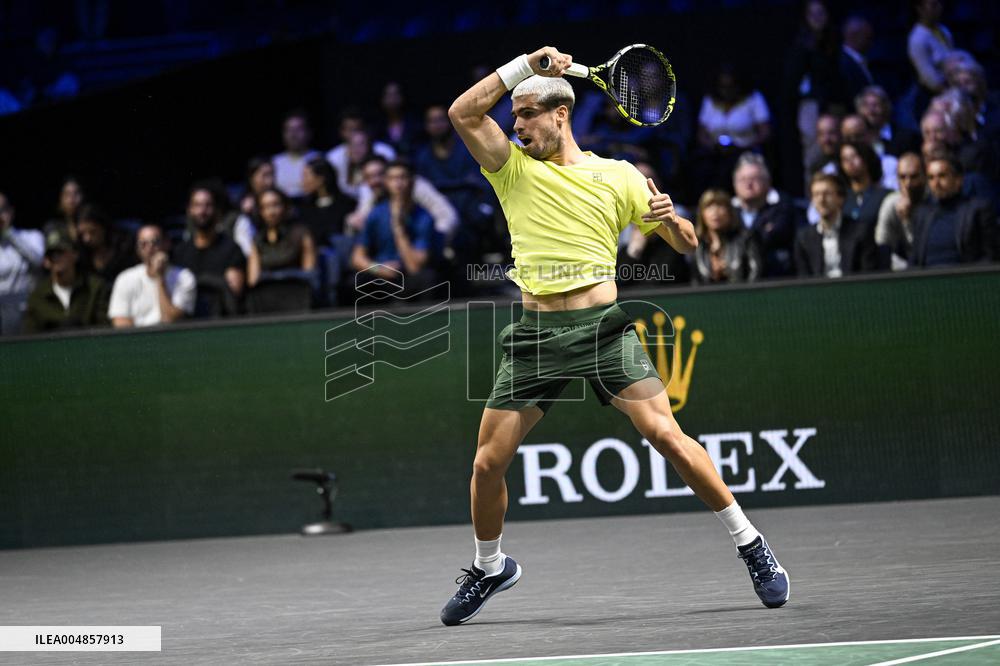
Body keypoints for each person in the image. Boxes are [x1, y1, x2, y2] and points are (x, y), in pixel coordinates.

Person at [440, 46, 789, 626]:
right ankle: (490, 565)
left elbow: (686, 243)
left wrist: (671, 218)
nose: (515, 124)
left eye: (525, 114)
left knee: (667, 436)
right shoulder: (510, 167)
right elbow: (463, 113)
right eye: (514, 115)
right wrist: (525, 67)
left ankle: (751, 543)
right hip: (536, 334)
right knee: (486, 465)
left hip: (603, 331)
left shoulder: (619, 175)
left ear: (560, 115)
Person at [350, 160, 436, 291]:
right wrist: (378, 268)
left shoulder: (424, 218)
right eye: (392, 178)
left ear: (412, 181)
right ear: (386, 182)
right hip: (381, 272)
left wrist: (399, 228)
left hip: (408, 274)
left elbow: (414, 267)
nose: (398, 184)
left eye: (403, 177)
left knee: (426, 278)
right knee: (355, 282)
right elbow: (357, 258)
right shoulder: (377, 213)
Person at [171, 184, 246, 315]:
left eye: (207, 205)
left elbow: (234, 293)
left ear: (217, 210)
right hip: (185, 321)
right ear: (189, 210)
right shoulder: (180, 252)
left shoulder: (231, 249)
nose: (202, 211)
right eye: (197, 205)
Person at [910, 155, 997, 267]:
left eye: (942, 176)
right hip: (927, 281)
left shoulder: (978, 210)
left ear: (958, 180)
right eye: (931, 178)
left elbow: (991, 256)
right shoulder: (922, 214)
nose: (936, 183)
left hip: (966, 280)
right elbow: (914, 260)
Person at [347, 155, 458, 239]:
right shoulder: (370, 193)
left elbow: (449, 216)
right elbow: (363, 220)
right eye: (369, 177)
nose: (375, 181)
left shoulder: (416, 186)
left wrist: (431, 240)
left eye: (379, 174)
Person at [23, 227, 109, 333]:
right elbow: (30, 337)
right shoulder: (37, 296)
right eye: (51, 255)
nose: (56, 258)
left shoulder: (95, 288)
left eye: (61, 252)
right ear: (45, 261)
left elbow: (105, 330)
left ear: (75, 254)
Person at [108, 224, 196, 327]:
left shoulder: (185, 277)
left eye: (155, 242)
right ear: (137, 249)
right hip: (137, 340)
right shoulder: (125, 278)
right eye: (143, 244)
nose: (149, 248)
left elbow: (170, 320)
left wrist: (160, 278)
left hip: (172, 339)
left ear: (167, 243)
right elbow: (120, 322)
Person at [795, 173, 878, 277]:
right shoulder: (804, 238)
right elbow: (804, 281)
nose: (821, 200)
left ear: (841, 198)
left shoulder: (861, 231)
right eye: (816, 194)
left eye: (827, 194)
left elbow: (868, 276)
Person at [730, 153, 798, 278]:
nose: (748, 184)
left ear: (767, 180)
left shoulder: (783, 205)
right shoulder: (728, 210)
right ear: (734, 184)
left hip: (776, 276)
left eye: (754, 178)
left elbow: (777, 236)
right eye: (743, 179)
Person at [247, 187, 317, 287]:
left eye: (275, 205)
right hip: (267, 293)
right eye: (265, 207)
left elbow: (309, 275)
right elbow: (253, 280)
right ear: (260, 212)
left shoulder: (301, 234)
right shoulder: (258, 239)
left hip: (297, 291)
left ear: (285, 206)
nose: (271, 212)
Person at [692, 188, 762, 284]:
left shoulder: (746, 238)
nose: (715, 212)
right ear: (702, 214)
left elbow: (756, 275)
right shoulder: (698, 245)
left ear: (730, 212)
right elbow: (695, 282)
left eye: (720, 206)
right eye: (709, 207)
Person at [0, 192, 45, 335]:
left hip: (29, 312)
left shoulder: (32, 236)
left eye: (2, 210)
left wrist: (9, 233)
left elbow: (38, 261)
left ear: (11, 211)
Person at [876, 152, 929, 270]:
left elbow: (923, 250)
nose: (908, 183)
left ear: (924, 176)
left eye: (914, 177)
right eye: (902, 177)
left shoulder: (933, 202)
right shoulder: (891, 203)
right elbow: (882, 245)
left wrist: (906, 221)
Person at [325, 109, 396, 198]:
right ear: (342, 132)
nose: (354, 134)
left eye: (358, 129)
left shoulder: (384, 152)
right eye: (350, 130)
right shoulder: (333, 157)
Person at [299, 156, 356, 243]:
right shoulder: (304, 206)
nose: (302, 181)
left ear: (321, 179)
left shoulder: (347, 204)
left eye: (306, 176)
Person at [839, 141, 891, 234]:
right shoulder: (841, 198)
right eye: (845, 159)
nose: (850, 162)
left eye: (854, 156)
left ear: (866, 158)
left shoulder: (885, 195)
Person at [75, 203, 135, 284]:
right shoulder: (81, 255)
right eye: (82, 234)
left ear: (103, 228)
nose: (87, 239)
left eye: (92, 232)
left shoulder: (124, 248)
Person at [907, 0, 954, 97]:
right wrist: (950, 95)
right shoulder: (917, 38)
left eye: (940, 4)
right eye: (933, 5)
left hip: (953, 85)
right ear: (920, 9)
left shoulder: (944, 30)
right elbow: (928, 77)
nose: (939, 8)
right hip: (933, 94)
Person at [272, 109, 320, 199]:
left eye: (298, 129)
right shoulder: (274, 162)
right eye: (289, 130)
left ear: (309, 133)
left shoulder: (318, 159)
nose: (293, 135)